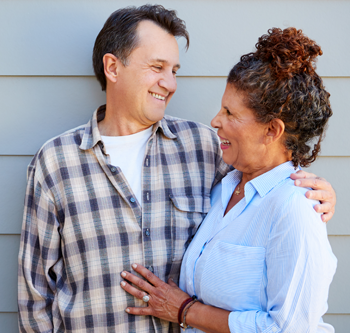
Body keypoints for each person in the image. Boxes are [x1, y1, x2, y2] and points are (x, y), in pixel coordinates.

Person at [18, 5, 335, 332]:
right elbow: (35, 294)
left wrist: (314, 192)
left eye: (175, 71)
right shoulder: (56, 162)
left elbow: (269, 181)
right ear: (113, 67)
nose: (169, 84)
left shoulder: (205, 147)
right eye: (158, 67)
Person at [120, 27, 337, 332]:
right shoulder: (224, 186)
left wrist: (186, 311)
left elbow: (292, 328)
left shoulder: (295, 208)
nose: (215, 121)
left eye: (230, 113)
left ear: (272, 131)